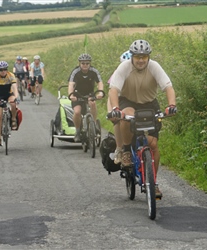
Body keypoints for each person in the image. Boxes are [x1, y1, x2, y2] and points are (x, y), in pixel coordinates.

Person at [107, 39, 177, 197]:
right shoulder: (124, 67)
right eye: (138, 56)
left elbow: (168, 87)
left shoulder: (154, 66)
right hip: (128, 101)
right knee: (126, 116)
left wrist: (171, 105)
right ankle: (126, 150)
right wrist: (116, 109)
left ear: (148, 57)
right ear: (132, 56)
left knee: (153, 144)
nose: (140, 60)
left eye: (144, 57)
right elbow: (113, 89)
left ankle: (154, 182)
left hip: (149, 104)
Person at [68, 53, 104, 142]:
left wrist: (100, 92)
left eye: (87, 63)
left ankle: (94, 124)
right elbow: (71, 84)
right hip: (77, 94)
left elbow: (100, 82)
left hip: (89, 94)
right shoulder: (75, 72)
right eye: (83, 63)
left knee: (93, 103)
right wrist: (71, 95)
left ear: (90, 64)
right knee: (77, 112)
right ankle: (77, 131)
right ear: (79, 63)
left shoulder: (94, 71)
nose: (85, 65)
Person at [107, 50, 132, 164]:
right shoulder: (117, 74)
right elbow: (111, 95)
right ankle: (119, 148)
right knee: (117, 121)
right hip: (120, 101)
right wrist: (112, 111)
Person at [0, 61, 19, 146]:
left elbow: (14, 88)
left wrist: (15, 97)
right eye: (1, 70)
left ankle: (13, 119)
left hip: (8, 94)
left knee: (13, 104)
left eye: (5, 69)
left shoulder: (10, 75)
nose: (3, 71)